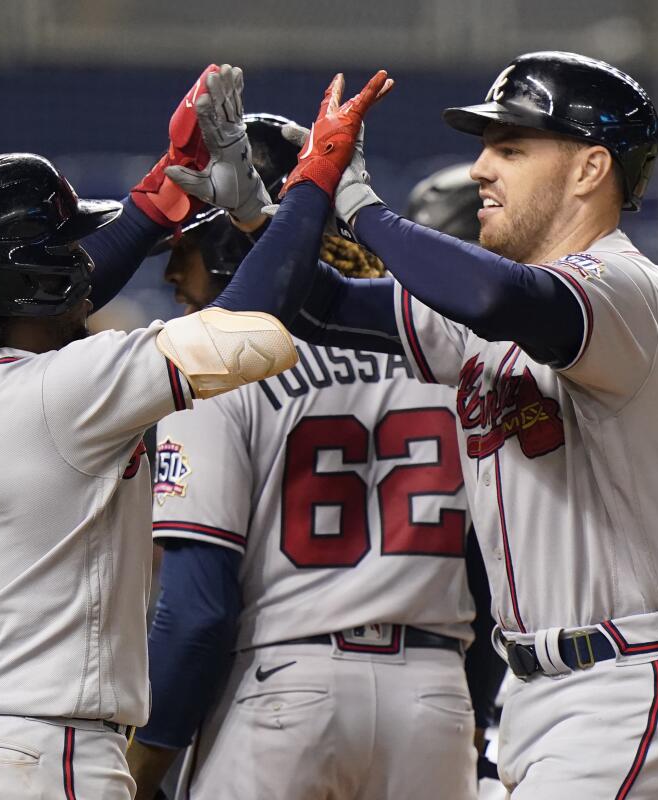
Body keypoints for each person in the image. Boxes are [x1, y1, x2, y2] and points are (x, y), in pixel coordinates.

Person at [180, 53, 658, 798]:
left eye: (510, 148)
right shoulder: (500, 308)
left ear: (589, 169)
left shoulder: (626, 289)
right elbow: (312, 306)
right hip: (547, 688)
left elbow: (492, 296)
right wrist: (262, 212)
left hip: (631, 681)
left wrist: (360, 205)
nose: (480, 168)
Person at [0, 63, 383, 799]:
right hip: (42, 755)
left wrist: (165, 191)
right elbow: (247, 329)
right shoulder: (64, 391)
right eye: (62, 259)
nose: (82, 273)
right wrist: (307, 186)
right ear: (33, 281)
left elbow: (65, 283)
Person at [124, 106, 494, 799]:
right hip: (436, 695)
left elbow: (198, 610)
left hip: (288, 690)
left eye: (186, 244)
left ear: (235, 241)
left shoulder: (212, 359)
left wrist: (146, 764)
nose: (173, 267)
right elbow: (486, 569)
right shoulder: (436, 341)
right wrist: (470, 707)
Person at [403, 163, 658, 798]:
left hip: (596, 684)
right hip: (476, 684)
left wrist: (643, 625)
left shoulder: (585, 356)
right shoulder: (429, 365)